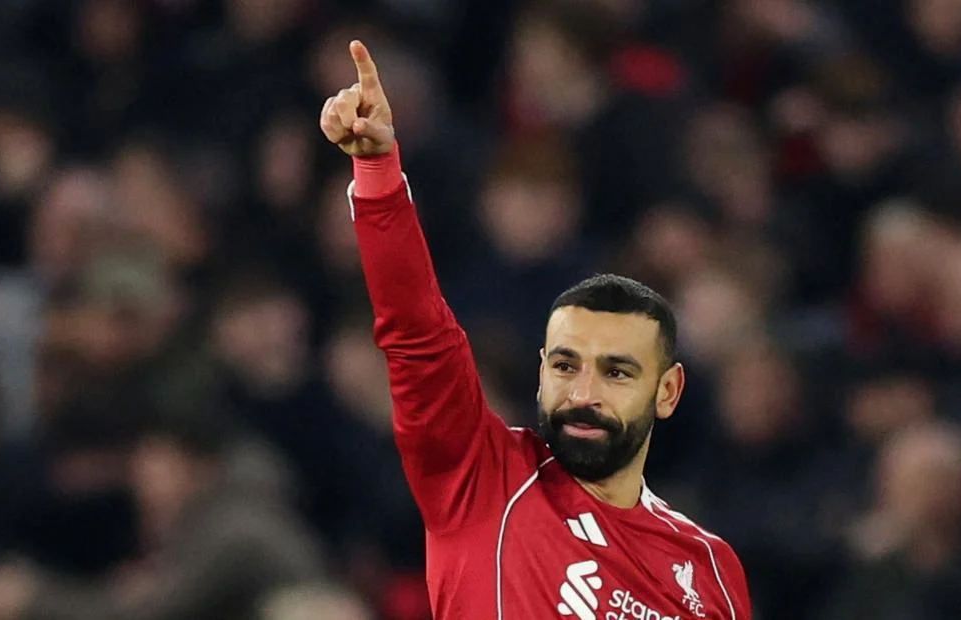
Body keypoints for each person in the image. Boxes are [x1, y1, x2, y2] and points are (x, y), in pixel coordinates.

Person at [319, 41, 753, 620]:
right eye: (566, 365)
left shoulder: (708, 570)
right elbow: (416, 333)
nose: (584, 394)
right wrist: (377, 172)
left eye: (618, 372)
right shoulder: (481, 478)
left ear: (668, 390)